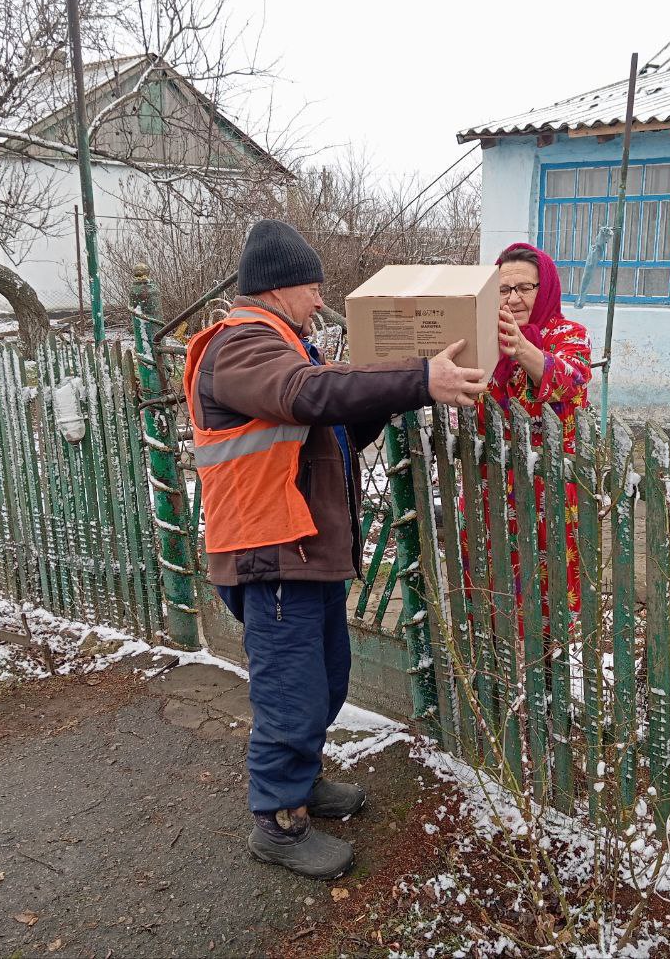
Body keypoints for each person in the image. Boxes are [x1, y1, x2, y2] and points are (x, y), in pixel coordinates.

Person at [184, 220, 486, 880]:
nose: (320, 299)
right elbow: (310, 397)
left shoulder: (284, 346)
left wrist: (396, 395)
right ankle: (278, 824)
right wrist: (416, 378)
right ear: (280, 285)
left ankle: (303, 783)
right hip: (270, 549)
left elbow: (333, 422)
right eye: (313, 285)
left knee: (324, 681)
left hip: (304, 549)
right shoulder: (241, 348)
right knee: (290, 692)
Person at [469, 242, 592, 617]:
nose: (514, 298)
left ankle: (550, 667)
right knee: (492, 584)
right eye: (504, 289)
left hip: (549, 489)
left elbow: (571, 379)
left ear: (546, 288)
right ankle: (493, 661)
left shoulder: (571, 335)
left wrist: (522, 349)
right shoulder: (484, 337)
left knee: (550, 587)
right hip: (491, 481)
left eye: (525, 288)